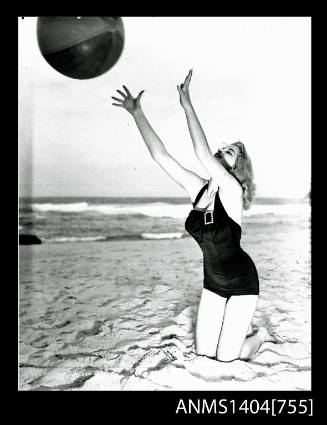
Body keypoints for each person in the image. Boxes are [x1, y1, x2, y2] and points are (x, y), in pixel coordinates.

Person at [112, 70, 272, 362]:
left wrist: (187, 104)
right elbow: (161, 156)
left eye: (232, 152)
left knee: (228, 359)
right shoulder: (198, 189)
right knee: (204, 355)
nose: (223, 150)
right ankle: (243, 334)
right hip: (212, 283)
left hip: (242, 283)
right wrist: (137, 114)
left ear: (238, 167)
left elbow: (201, 152)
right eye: (222, 148)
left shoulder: (233, 191)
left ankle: (259, 337)